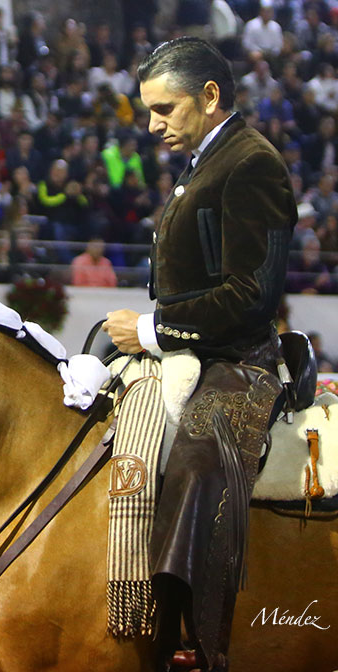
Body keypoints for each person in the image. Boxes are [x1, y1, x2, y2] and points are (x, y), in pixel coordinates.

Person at [103, 38, 297, 672]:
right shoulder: (205, 159)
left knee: (194, 462)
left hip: (239, 360)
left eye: (164, 109)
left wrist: (156, 330)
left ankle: (195, 642)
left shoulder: (252, 164)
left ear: (209, 98)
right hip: (196, 347)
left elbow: (252, 293)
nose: (152, 125)